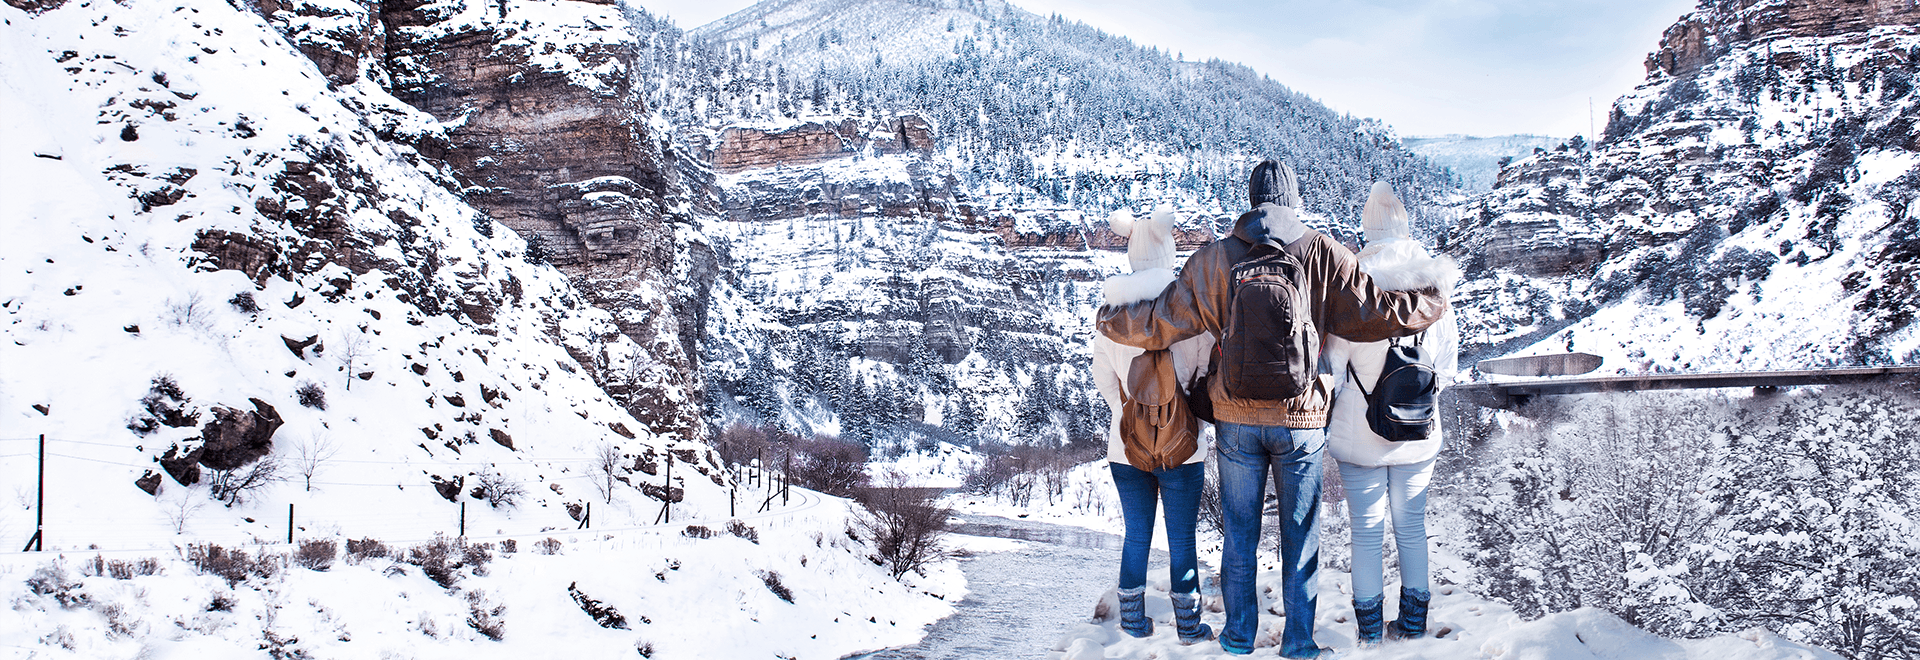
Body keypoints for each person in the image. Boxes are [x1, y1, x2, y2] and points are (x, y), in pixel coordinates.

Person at [1097, 161, 1448, 658]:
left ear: (1250, 200)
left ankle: (1238, 636)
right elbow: (1376, 312)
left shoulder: (1215, 257)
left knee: (1239, 536)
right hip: (1301, 418)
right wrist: (1434, 299)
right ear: (1294, 202)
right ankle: (1299, 643)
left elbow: (1161, 323)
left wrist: (1110, 317)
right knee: (1299, 537)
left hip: (1236, 418)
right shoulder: (1322, 251)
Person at [1325, 182, 1460, 647]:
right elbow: (1446, 368)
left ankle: (1368, 636)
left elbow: (1332, 368)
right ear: (1405, 229)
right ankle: (1413, 627)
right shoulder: (1436, 293)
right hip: (1419, 433)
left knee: (1365, 533)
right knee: (1412, 528)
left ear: (1366, 230)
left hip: (1360, 434)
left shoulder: (1350, 290)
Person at [1090, 205, 1217, 644]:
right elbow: (1205, 373)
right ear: (1168, 254)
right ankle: (1188, 626)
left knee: (1137, 535)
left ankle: (1131, 623)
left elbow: (1103, 377)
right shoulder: (1191, 314)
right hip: (1184, 446)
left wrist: (1127, 412)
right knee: (1182, 539)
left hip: (1126, 446)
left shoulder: (1109, 315)